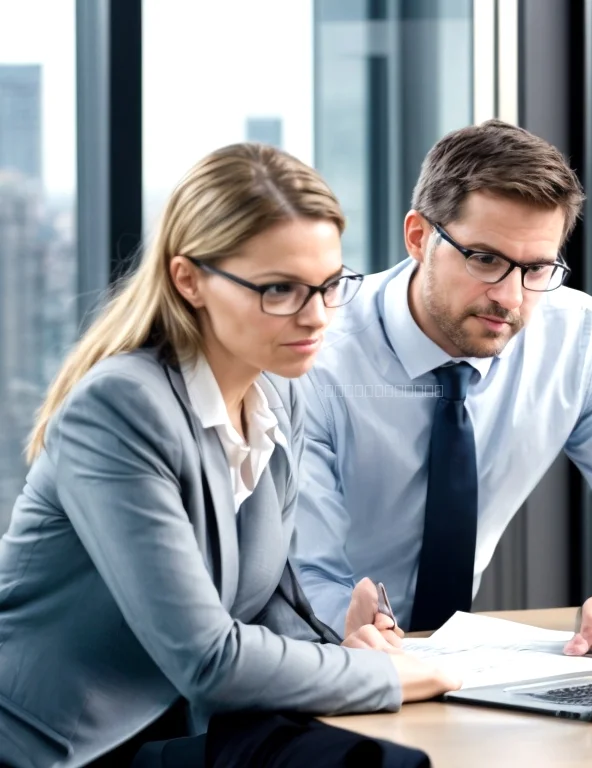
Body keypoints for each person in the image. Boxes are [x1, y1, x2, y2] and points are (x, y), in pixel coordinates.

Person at [0, 143, 458, 768]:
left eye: (329, 286)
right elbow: (208, 659)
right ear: (189, 280)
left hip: (183, 727)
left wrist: (351, 649)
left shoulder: (278, 392)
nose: (317, 316)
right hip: (66, 748)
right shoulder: (120, 408)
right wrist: (385, 676)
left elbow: (266, 600)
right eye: (280, 290)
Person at [294, 119, 592, 646]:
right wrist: (362, 636)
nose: (511, 297)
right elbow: (304, 574)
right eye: (485, 259)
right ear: (418, 237)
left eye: (537, 268)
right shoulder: (313, 353)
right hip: (317, 663)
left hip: (462, 670)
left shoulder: (580, 341)